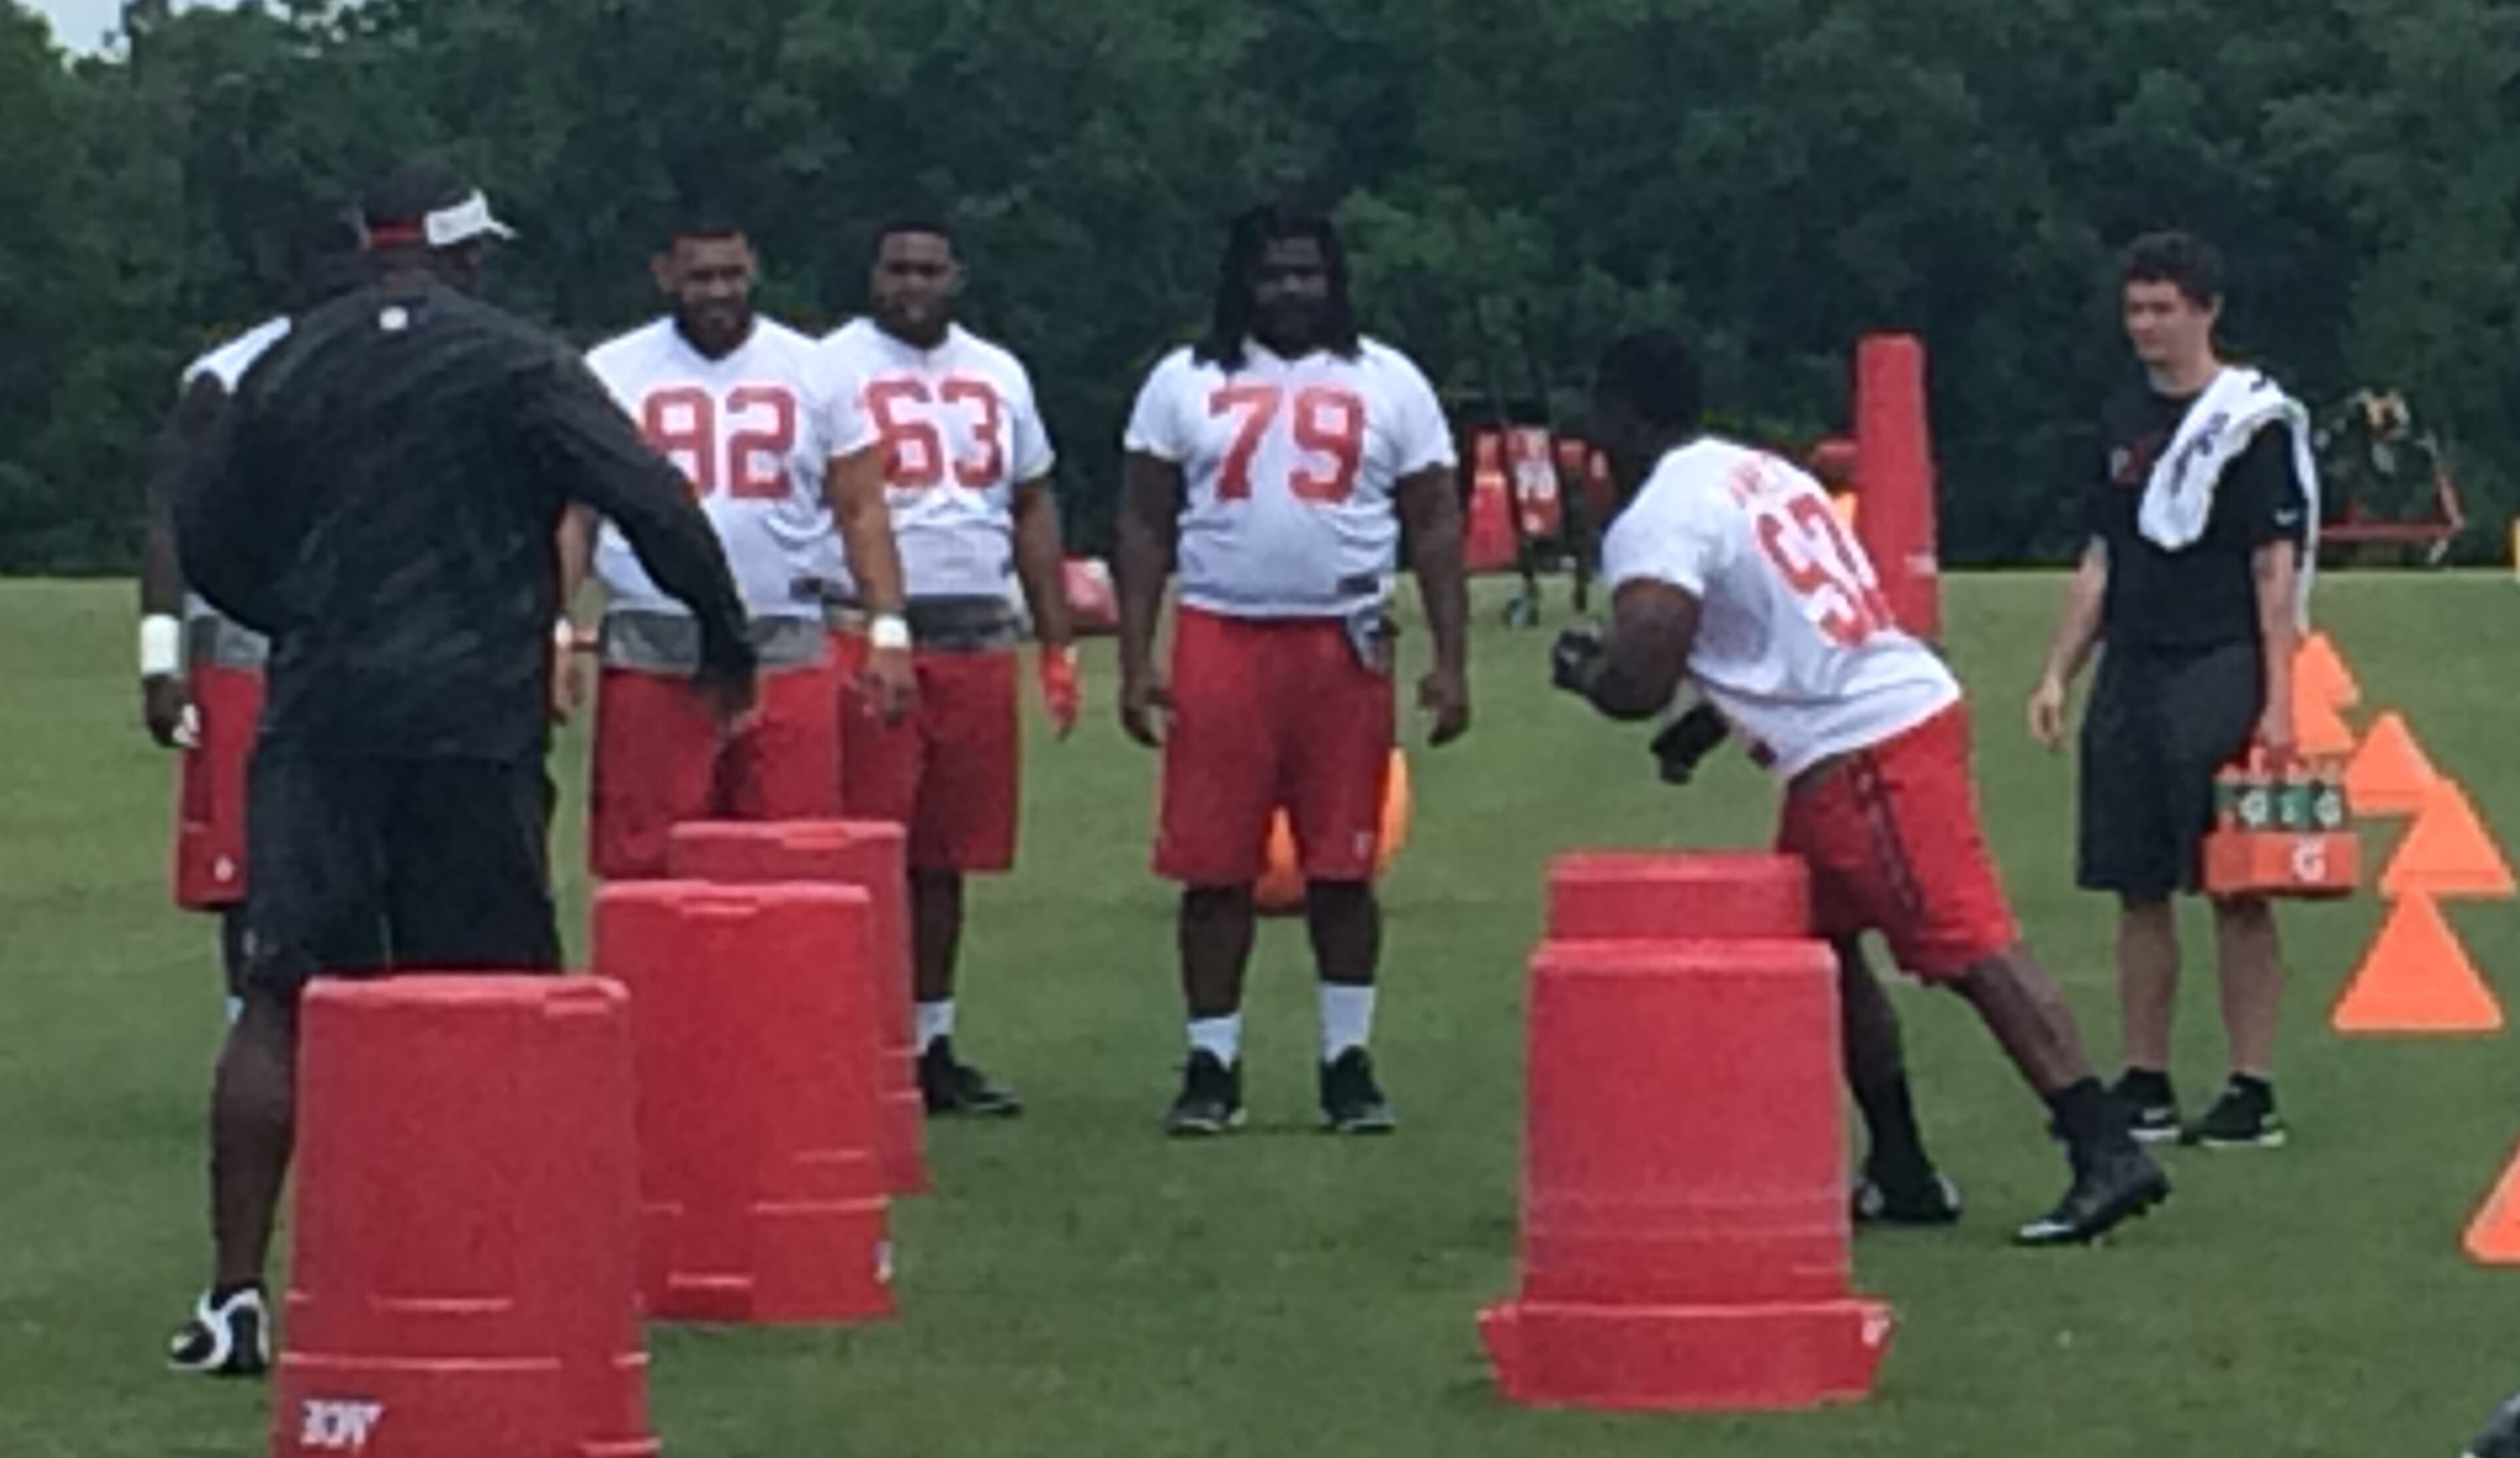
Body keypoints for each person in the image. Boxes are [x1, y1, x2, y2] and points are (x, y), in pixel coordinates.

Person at [165, 161, 757, 1377]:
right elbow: (649, 496)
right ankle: (498, 1271)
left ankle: (235, 1296)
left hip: (323, 714)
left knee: (281, 993)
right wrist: (724, 635)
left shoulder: (288, 361)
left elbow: (208, 532)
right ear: (450, 251)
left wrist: (299, 617)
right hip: (471, 720)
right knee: (495, 997)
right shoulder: (516, 361)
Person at [1560, 328, 2168, 1246]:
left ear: (1622, 416)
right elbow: (1784, 628)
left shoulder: (1661, 514)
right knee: (1821, 951)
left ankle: (2102, 1143)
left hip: (1867, 749)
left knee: (1968, 946)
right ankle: (1900, 1164)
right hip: (1861, 728)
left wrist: (1591, 673)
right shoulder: (1756, 470)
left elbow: (1639, 675)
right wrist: (1706, 722)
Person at [1116, 204, 1471, 1136]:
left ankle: (1346, 1060)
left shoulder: (1389, 379)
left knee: (1344, 869)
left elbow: (1435, 520)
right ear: (1242, 279)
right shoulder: (1182, 380)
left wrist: (1450, 659)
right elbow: (1146, 523)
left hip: (1344, 640)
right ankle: (1211, 1061)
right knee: (1213, 868)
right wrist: (1134, 655)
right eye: (1273, 273)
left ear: (1335, 278)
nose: (1291, 290)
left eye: (1308, 273)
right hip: (1222, 633)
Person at [2028, 232, 2317, 1148]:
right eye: (2136, 310)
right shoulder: (2121, 419)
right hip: (2134, 666)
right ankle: (2145, 1078)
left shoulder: (2253, 423)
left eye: (2163, 309)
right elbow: (2102, 559)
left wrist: (2279, 700)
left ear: (2206, 311)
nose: (2147, 327)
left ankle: (2249, 1085)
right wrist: (2057, 673)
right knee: (2135, 882)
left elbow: (2277, 570)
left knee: (2237, 885)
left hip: (2219, 659)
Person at [558, 215, 909, 884]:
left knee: (792, 860)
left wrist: (889, 627)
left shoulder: (815, 368)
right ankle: (659, 993)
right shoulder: (612, 369)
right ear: (664, 276)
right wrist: (553, 623)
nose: (718, 291)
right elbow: (575, 512)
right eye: (700, 277)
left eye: (731, 275)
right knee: (651, 864)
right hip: (657, 645)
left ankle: (782, 994)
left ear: (753, 269)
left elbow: (861, 504)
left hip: (784, 639)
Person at [818, 218, 1076, 1117]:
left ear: (957, 275)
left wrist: (1057, 637)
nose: (914, 284)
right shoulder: (829, 367)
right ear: (873, 274)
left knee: (946, 857)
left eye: (930, 268)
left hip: (974, 633)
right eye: (898, 268)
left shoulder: (999, 371)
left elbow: (1033, 500)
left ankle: (929, 1041)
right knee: (867, 851)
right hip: (868, 633)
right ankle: (855, 1040)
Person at [139, 205, 367, 1021]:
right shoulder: (225, 378)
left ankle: (350, 1028)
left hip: (360, 649)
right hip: (245, 649)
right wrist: (160, 658)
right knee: (244, 863)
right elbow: (170, 518)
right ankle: (255, 1025)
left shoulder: (388, 361)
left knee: (358, 849)